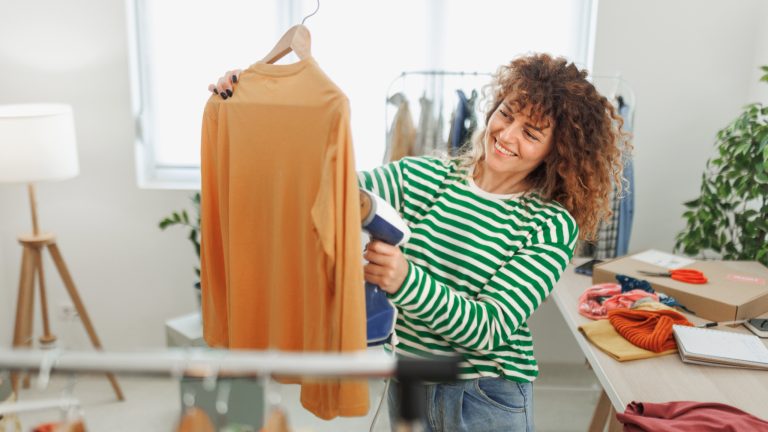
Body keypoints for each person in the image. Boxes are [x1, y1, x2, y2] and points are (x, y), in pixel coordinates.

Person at [208, 53, 629, 432]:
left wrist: (404, 280)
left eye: (531, 133)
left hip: (485, 396)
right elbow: (328, 192)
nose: (506, 134)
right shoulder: (427, 177)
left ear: (556, 153)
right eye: (506, 113)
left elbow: (489, 328)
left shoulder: (549, 226)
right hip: (408, 383)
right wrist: (256, 106)